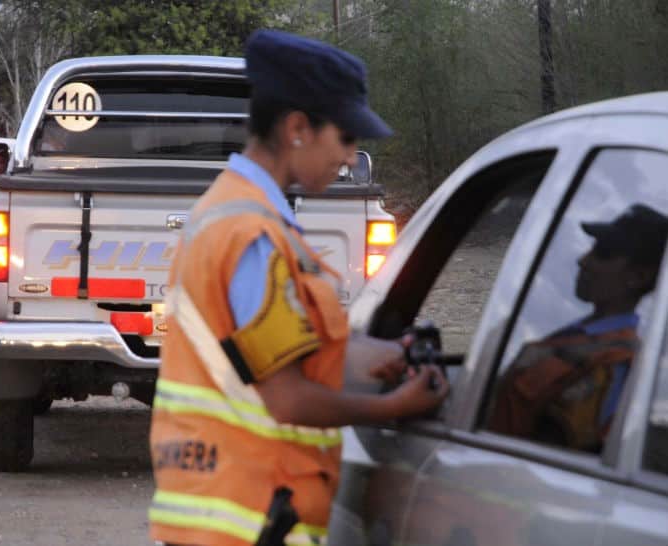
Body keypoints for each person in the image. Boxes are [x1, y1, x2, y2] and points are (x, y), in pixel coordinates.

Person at [148, 29, 448, 546]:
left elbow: (270, 358)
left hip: (223, 515)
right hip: (249, 520)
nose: (352, 157)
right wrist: (394, 408)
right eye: (347, 138)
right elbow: (286, 397)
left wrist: (376, 355)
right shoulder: (253, 236)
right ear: (297, 129)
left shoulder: (238, 214)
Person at [488, 204, 668, 452]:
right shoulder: (577, 338)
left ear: (637, 277)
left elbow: (556, 456)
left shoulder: (614, 363)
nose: (583, 260)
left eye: (603, 253)